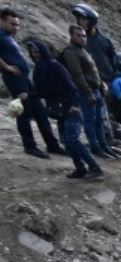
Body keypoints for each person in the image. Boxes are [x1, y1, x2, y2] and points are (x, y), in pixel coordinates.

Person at [26, 38, 99, 178]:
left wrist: (74, 104)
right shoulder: (39, 69)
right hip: (58, 110)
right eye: (32, 52)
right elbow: (41, 92)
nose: (35, 54)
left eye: (36, 51)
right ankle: (80, 168)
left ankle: (94, 168)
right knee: (66, 142)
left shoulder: (54, 65)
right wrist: (27, 96)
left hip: (70, 107)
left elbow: (70, 85)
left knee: (72, 140)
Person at [2, 9, 60, 159]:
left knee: (40, 111)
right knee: (24, 112)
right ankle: (30, 146)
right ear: (2, 21)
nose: (16, 27)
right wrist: (7, 67)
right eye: (12, 23)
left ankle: (52, 144)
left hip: (24, 78)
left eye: (17, 24)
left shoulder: (8, 37)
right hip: (15, 80)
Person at [70, 4, 116, 153]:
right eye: (79, 19)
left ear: (92, 21)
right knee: (94, 116)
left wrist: (110, 79)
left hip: (105, 81)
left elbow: (112, 60)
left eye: (83, 19)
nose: (80, 22)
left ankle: (107, 141)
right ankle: (98, 144)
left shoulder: (105, 41)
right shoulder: (79, 41)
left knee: (104, 115)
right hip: (90, 84)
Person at [58, 24, 104, 159]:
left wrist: (101, 85)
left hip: (95, 89)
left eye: (84, 36)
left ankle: (102, 146)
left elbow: (93, 71)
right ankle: (95, 147)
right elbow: (77, 74)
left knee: (99, 120)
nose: (83, 38)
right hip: (85, 92)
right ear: (71, 36)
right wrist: (88, 92)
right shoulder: (71, 52)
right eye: (79, 35)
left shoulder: (83, 51)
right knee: (90, 120)